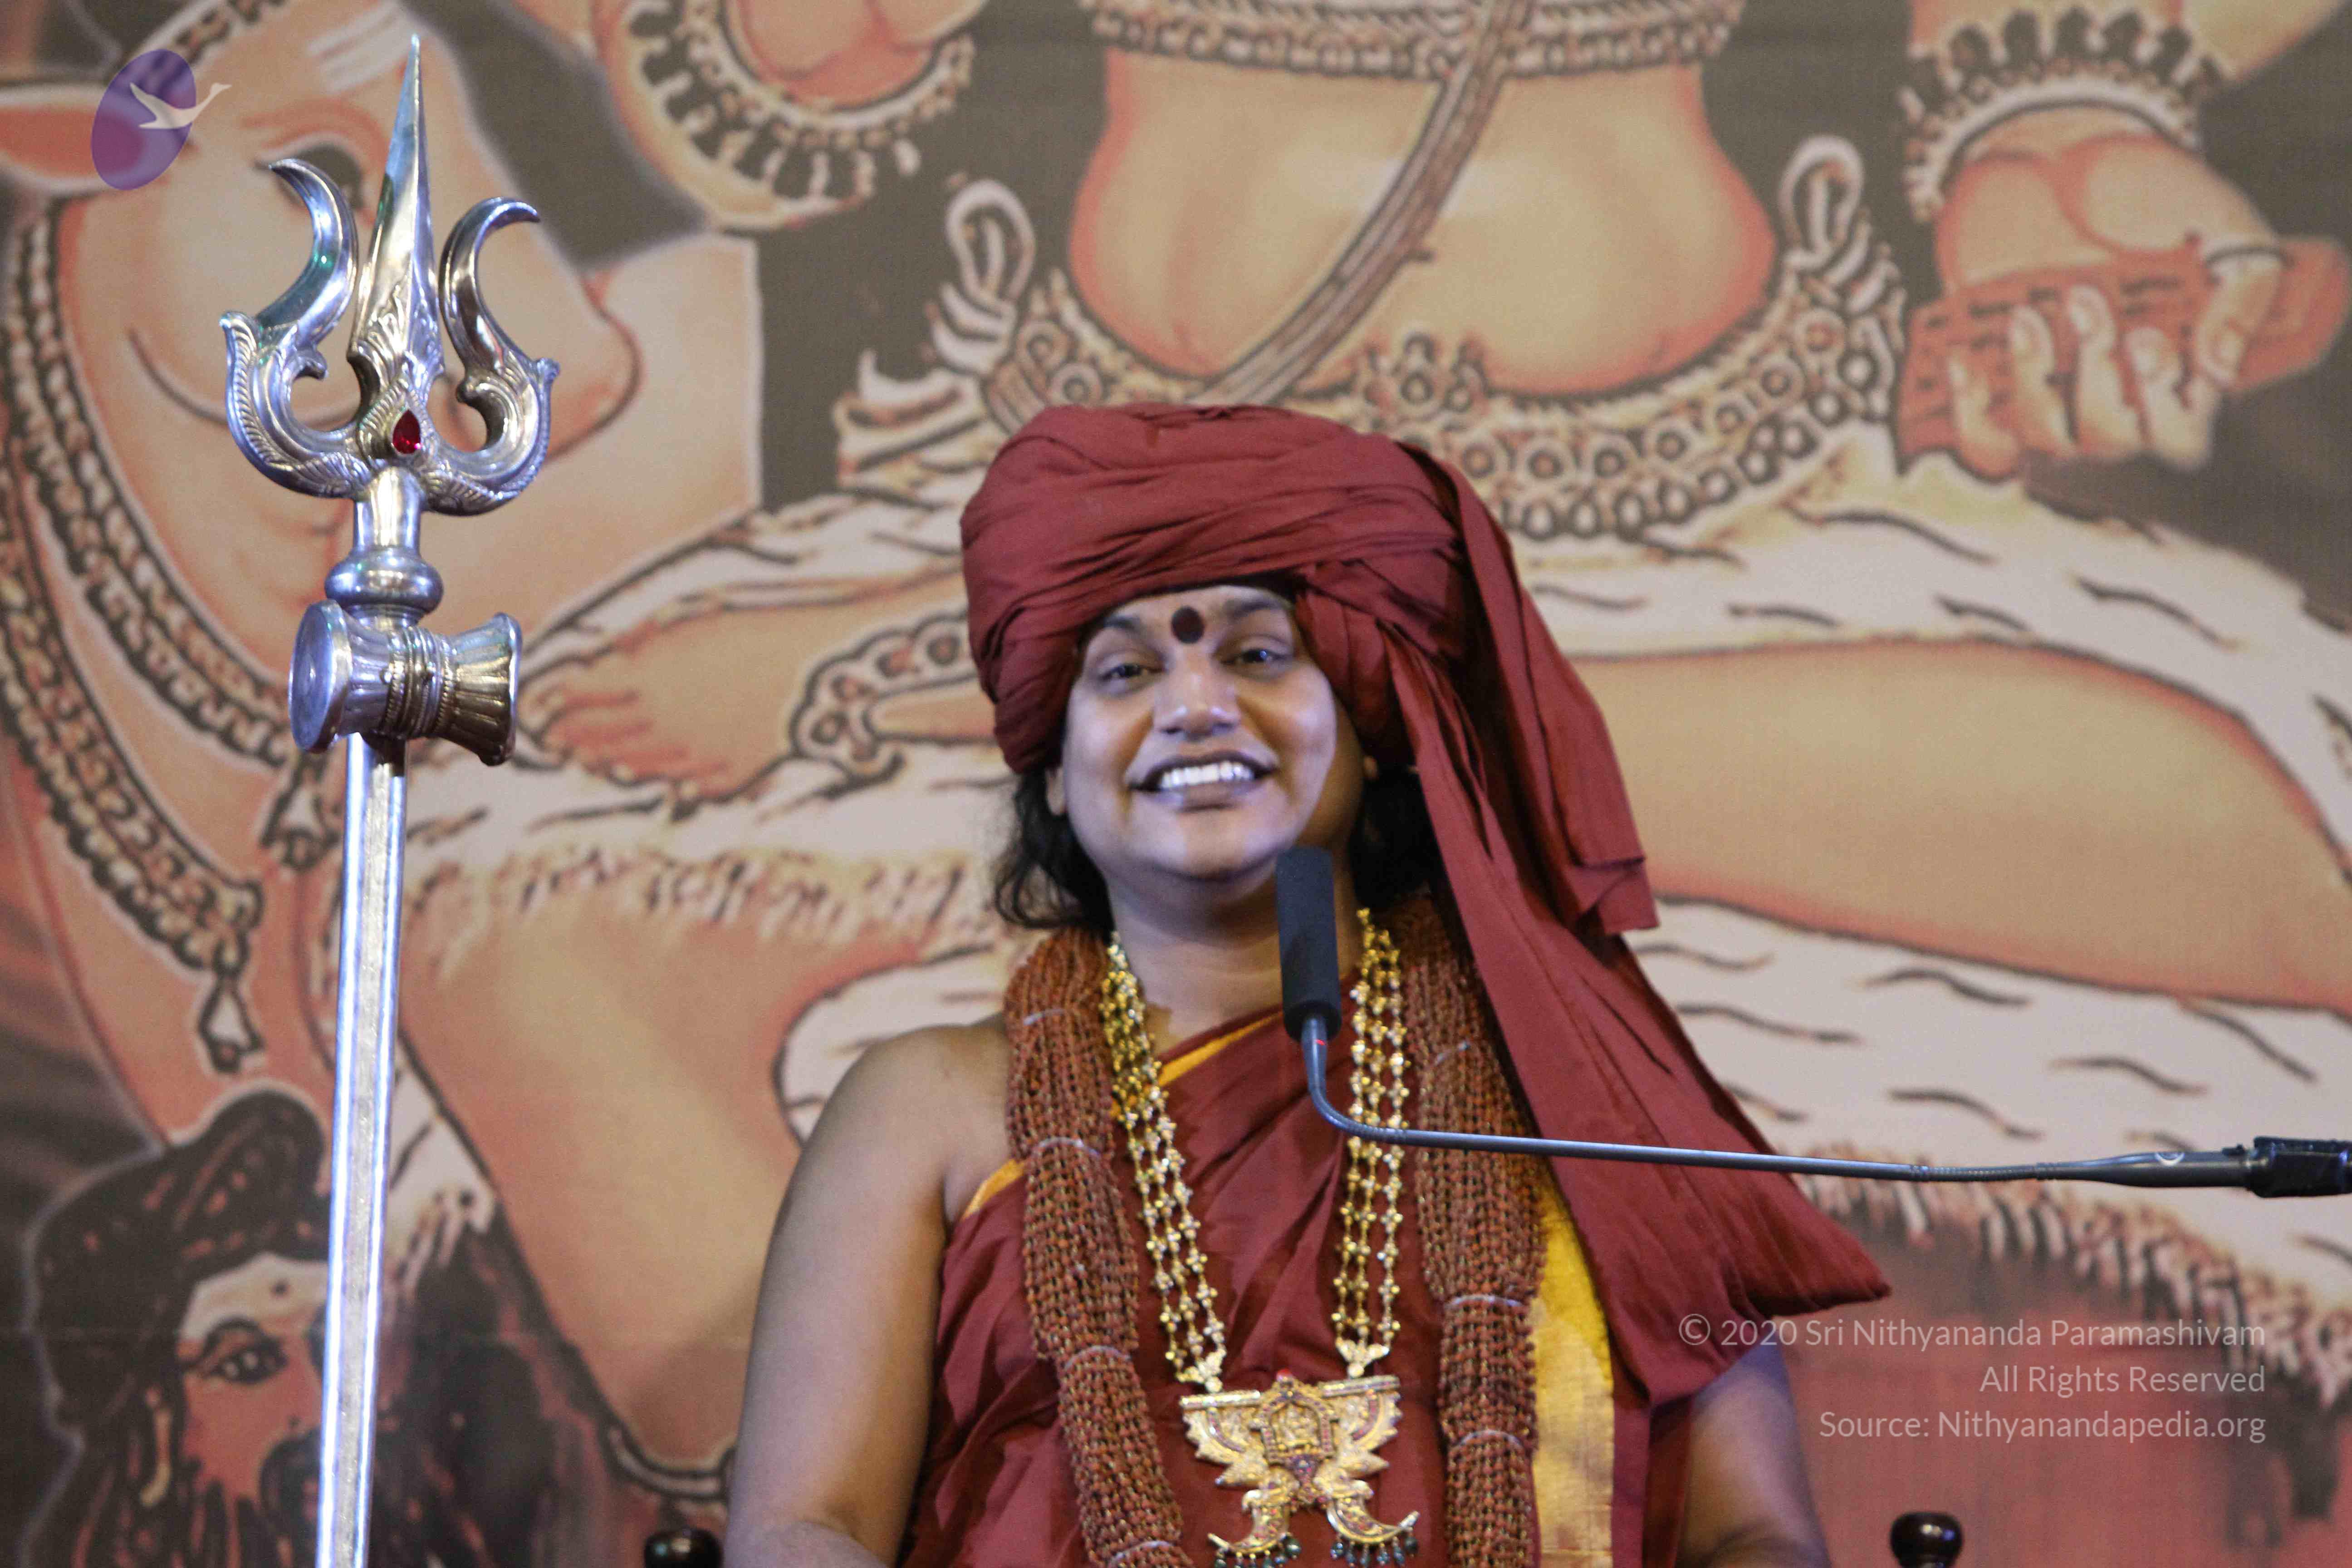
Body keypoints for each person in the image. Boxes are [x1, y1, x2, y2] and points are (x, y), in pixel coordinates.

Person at [725, 402, 1887, 1568]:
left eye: (1256, 655)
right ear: (1059, 774)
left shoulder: (1568, 1084)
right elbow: (801, 1529)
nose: (1193, 707)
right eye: (1126, 671)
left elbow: (1754, 1536)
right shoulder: (926, 1108)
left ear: (1372, 722)